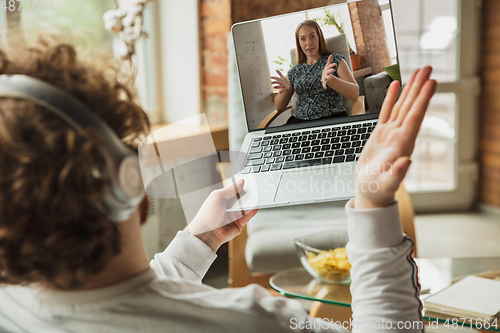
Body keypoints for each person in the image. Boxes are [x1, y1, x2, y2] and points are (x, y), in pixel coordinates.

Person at [0, 38, 436, 332]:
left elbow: (119, 301)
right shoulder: (254, 320)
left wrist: (199, 239)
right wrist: (372, 201)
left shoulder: (11, 304)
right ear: (130, 185)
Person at [271, 20, 359, 124]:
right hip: (300, 123)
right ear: (299, 43)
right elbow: (279, 107)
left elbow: (355, 93)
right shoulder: (294, 71)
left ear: (319, 38)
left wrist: (331, 80)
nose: (308, 43)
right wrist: (284, 91)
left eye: (312, 36)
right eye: (303, 39)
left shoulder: (334, 60)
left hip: (332, 119)